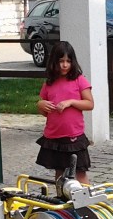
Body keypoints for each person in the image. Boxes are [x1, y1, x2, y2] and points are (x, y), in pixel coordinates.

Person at [36, 41, 94, 184]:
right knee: (60, 172)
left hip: (74, 136)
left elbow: (89, 104)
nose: (65, 65)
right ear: (54, 62)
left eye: (68, 61)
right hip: (55, 136)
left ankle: (85, 197)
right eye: (61, 61)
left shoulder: (79, 80)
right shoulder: (49, 83)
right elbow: (46, 112)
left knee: (80, 172)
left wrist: (71, 102)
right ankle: (61, 196)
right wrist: (40, 105)